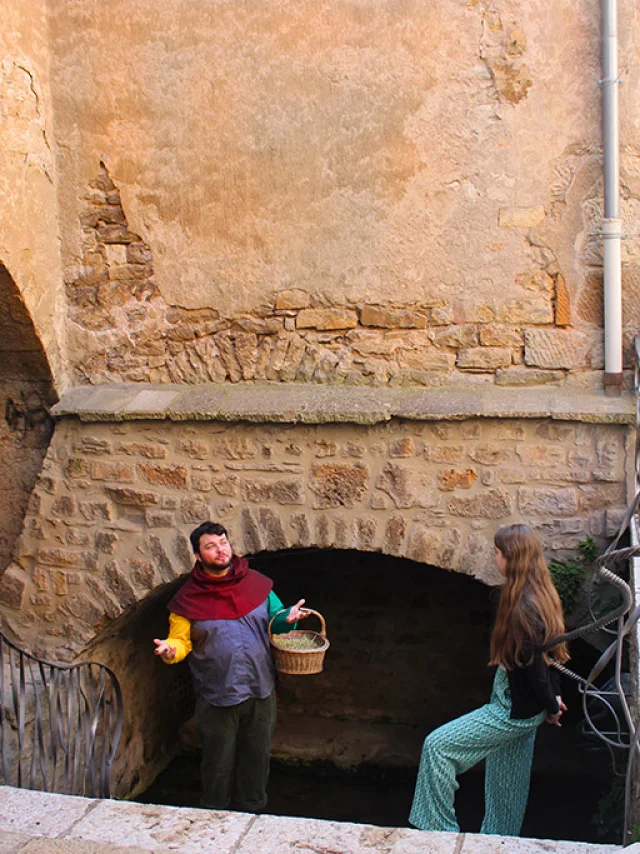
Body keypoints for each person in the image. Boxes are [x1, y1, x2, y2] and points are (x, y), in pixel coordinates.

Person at [409, 523, 569, 837]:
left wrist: (551, 706)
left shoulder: (525, 608)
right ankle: (498, 842)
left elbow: (536, 669)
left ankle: (440, 835)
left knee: (437, 747)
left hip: (513, 707)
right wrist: (553, 698)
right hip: (522, 703)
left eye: (497, 553)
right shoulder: (536, 594)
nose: (494, 558)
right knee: (506, 788)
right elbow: (546, 658)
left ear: (513, 558)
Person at [153, 521, 308, 812]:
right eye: (210, 546)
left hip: (259, 690)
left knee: (257, 758)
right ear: (198, 556)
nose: (220, 549)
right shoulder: (187, 600)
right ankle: (214, 813)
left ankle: (252, 811)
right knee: (217, 762)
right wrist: (170, 651)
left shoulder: (258, 585)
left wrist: (288, 618)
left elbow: (276, 622)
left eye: (223, 542)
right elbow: (180, 642)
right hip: (216, 695)